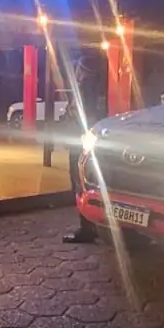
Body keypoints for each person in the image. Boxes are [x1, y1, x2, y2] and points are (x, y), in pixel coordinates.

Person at [63, 51, 111, 243]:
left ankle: (87, 227)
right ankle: (91, 225)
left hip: (82, 140)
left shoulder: (87, 87)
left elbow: (84, 114)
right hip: (86, 139)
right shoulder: (95, 85)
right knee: (85, 181)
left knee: (81, 181)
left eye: (78, 68)